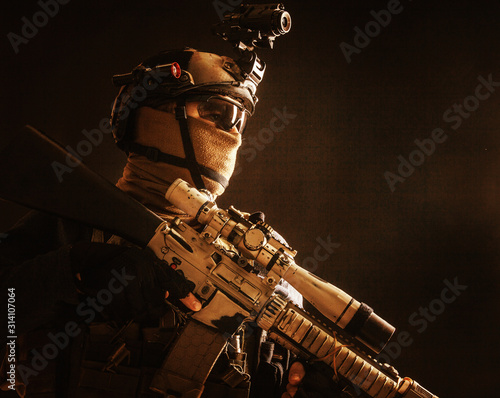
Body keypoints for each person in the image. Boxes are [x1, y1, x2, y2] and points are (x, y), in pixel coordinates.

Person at [0, 47, 340, 398]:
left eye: (240, 120)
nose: (232, 132)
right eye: (218, 112)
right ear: (152, 115)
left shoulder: (259, 261)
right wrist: (74, 273)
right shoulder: (73, 225)